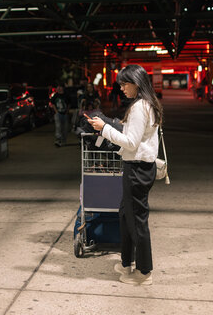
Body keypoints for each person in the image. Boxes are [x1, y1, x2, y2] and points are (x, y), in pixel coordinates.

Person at [87, 64, 163, 286]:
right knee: (125, 214)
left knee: (137, 220)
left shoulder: (140, 107)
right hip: (138, 167)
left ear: (136, 84)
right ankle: (126, 262)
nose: (121, 88)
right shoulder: (146, 104)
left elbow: (131, 142)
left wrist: (104, 129)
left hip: (137, 169)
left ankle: (144, 272)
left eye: (124, 83)